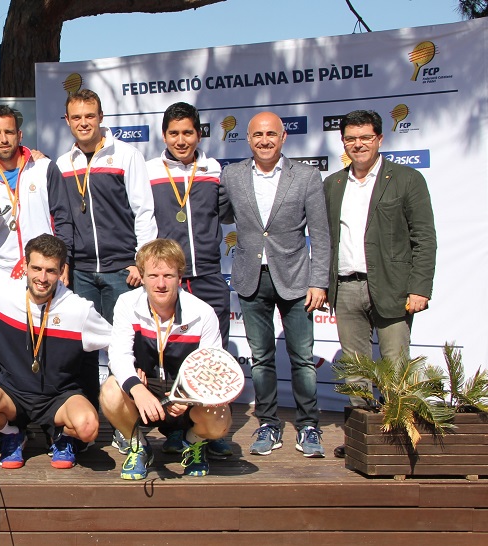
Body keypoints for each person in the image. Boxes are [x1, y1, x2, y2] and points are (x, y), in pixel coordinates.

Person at [323, 110, 436, 458]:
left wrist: (420, 288)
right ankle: (360, 437)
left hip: (392, 287)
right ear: (343, 143)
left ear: (379, 139)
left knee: (395, 365)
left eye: (366, 138)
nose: (358, 145)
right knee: (355, 371)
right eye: (351, 139)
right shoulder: (333, 184)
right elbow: (326, 240)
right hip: (346, 287)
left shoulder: (406, 179)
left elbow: (424, 237)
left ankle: (401, 438)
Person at [219, 111, 330, 458]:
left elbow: (322, 235)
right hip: (251, 279)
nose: (264, 140)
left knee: (302, 359)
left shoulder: (308, 176)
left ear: (283, 138)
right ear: (248, 140)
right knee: (263, 359)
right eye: (257, 135)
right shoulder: (232, 175)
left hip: (297, 279)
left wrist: (319, 281)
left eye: (271, 134)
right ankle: (268, 422)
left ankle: (308, 425)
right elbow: (220, 213)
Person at [0, 234, 111, 469]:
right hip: (13, 395)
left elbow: (119, 341)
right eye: (36, 268)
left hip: (59, 398)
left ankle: (62, 436)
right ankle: (12, 434)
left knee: (89, 428)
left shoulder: (79, 309)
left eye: (51, 271)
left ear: (62, 271)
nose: (42, 278)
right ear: (26, 266)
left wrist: (137, 369)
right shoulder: (0, 295)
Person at [141, 101, 233, 460]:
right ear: (164, 135)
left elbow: (223, 213)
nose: (181, 140)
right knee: (169, 355)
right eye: (174, 133)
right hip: (169, 277)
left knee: (212, 359)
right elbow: (144, 220)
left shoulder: (213, 169)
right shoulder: (150, 170)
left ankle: (211, 429)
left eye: (188, 133)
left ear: (199, 134)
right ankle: (175, 430)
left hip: (208, 273)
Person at [100, 239, 229, 480]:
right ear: (142, 276)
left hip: (184, 393)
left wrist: (190, 395)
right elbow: (118, 354)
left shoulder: (202, 312)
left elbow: (212, 368)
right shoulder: (127, 303)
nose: (160, 284)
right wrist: (136, 389)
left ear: (180, 276)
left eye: (168, 275)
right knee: (110, 390)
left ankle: (194, 443)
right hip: (147, 386)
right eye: (153, 275)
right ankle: (138, 445)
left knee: (220, 417)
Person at [55, 89, 156, 321]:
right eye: (77, 117)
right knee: (84, 349)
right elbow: (62, 219)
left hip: (123, 270)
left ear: (101, 116)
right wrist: (66, 263)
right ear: (67, 120)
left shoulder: (126, 155)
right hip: (81, 272)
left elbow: (144, 211)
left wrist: (141, 262)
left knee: (123, 344)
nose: (83, 123)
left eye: (89, 116)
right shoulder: (63, 164)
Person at [0, 105, 72, 280]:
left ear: (19, 135)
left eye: (9, 132)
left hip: (46, 270)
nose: (3, 139)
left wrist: (64, 261)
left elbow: (63, 218)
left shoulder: (44, 168)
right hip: (5, 275)